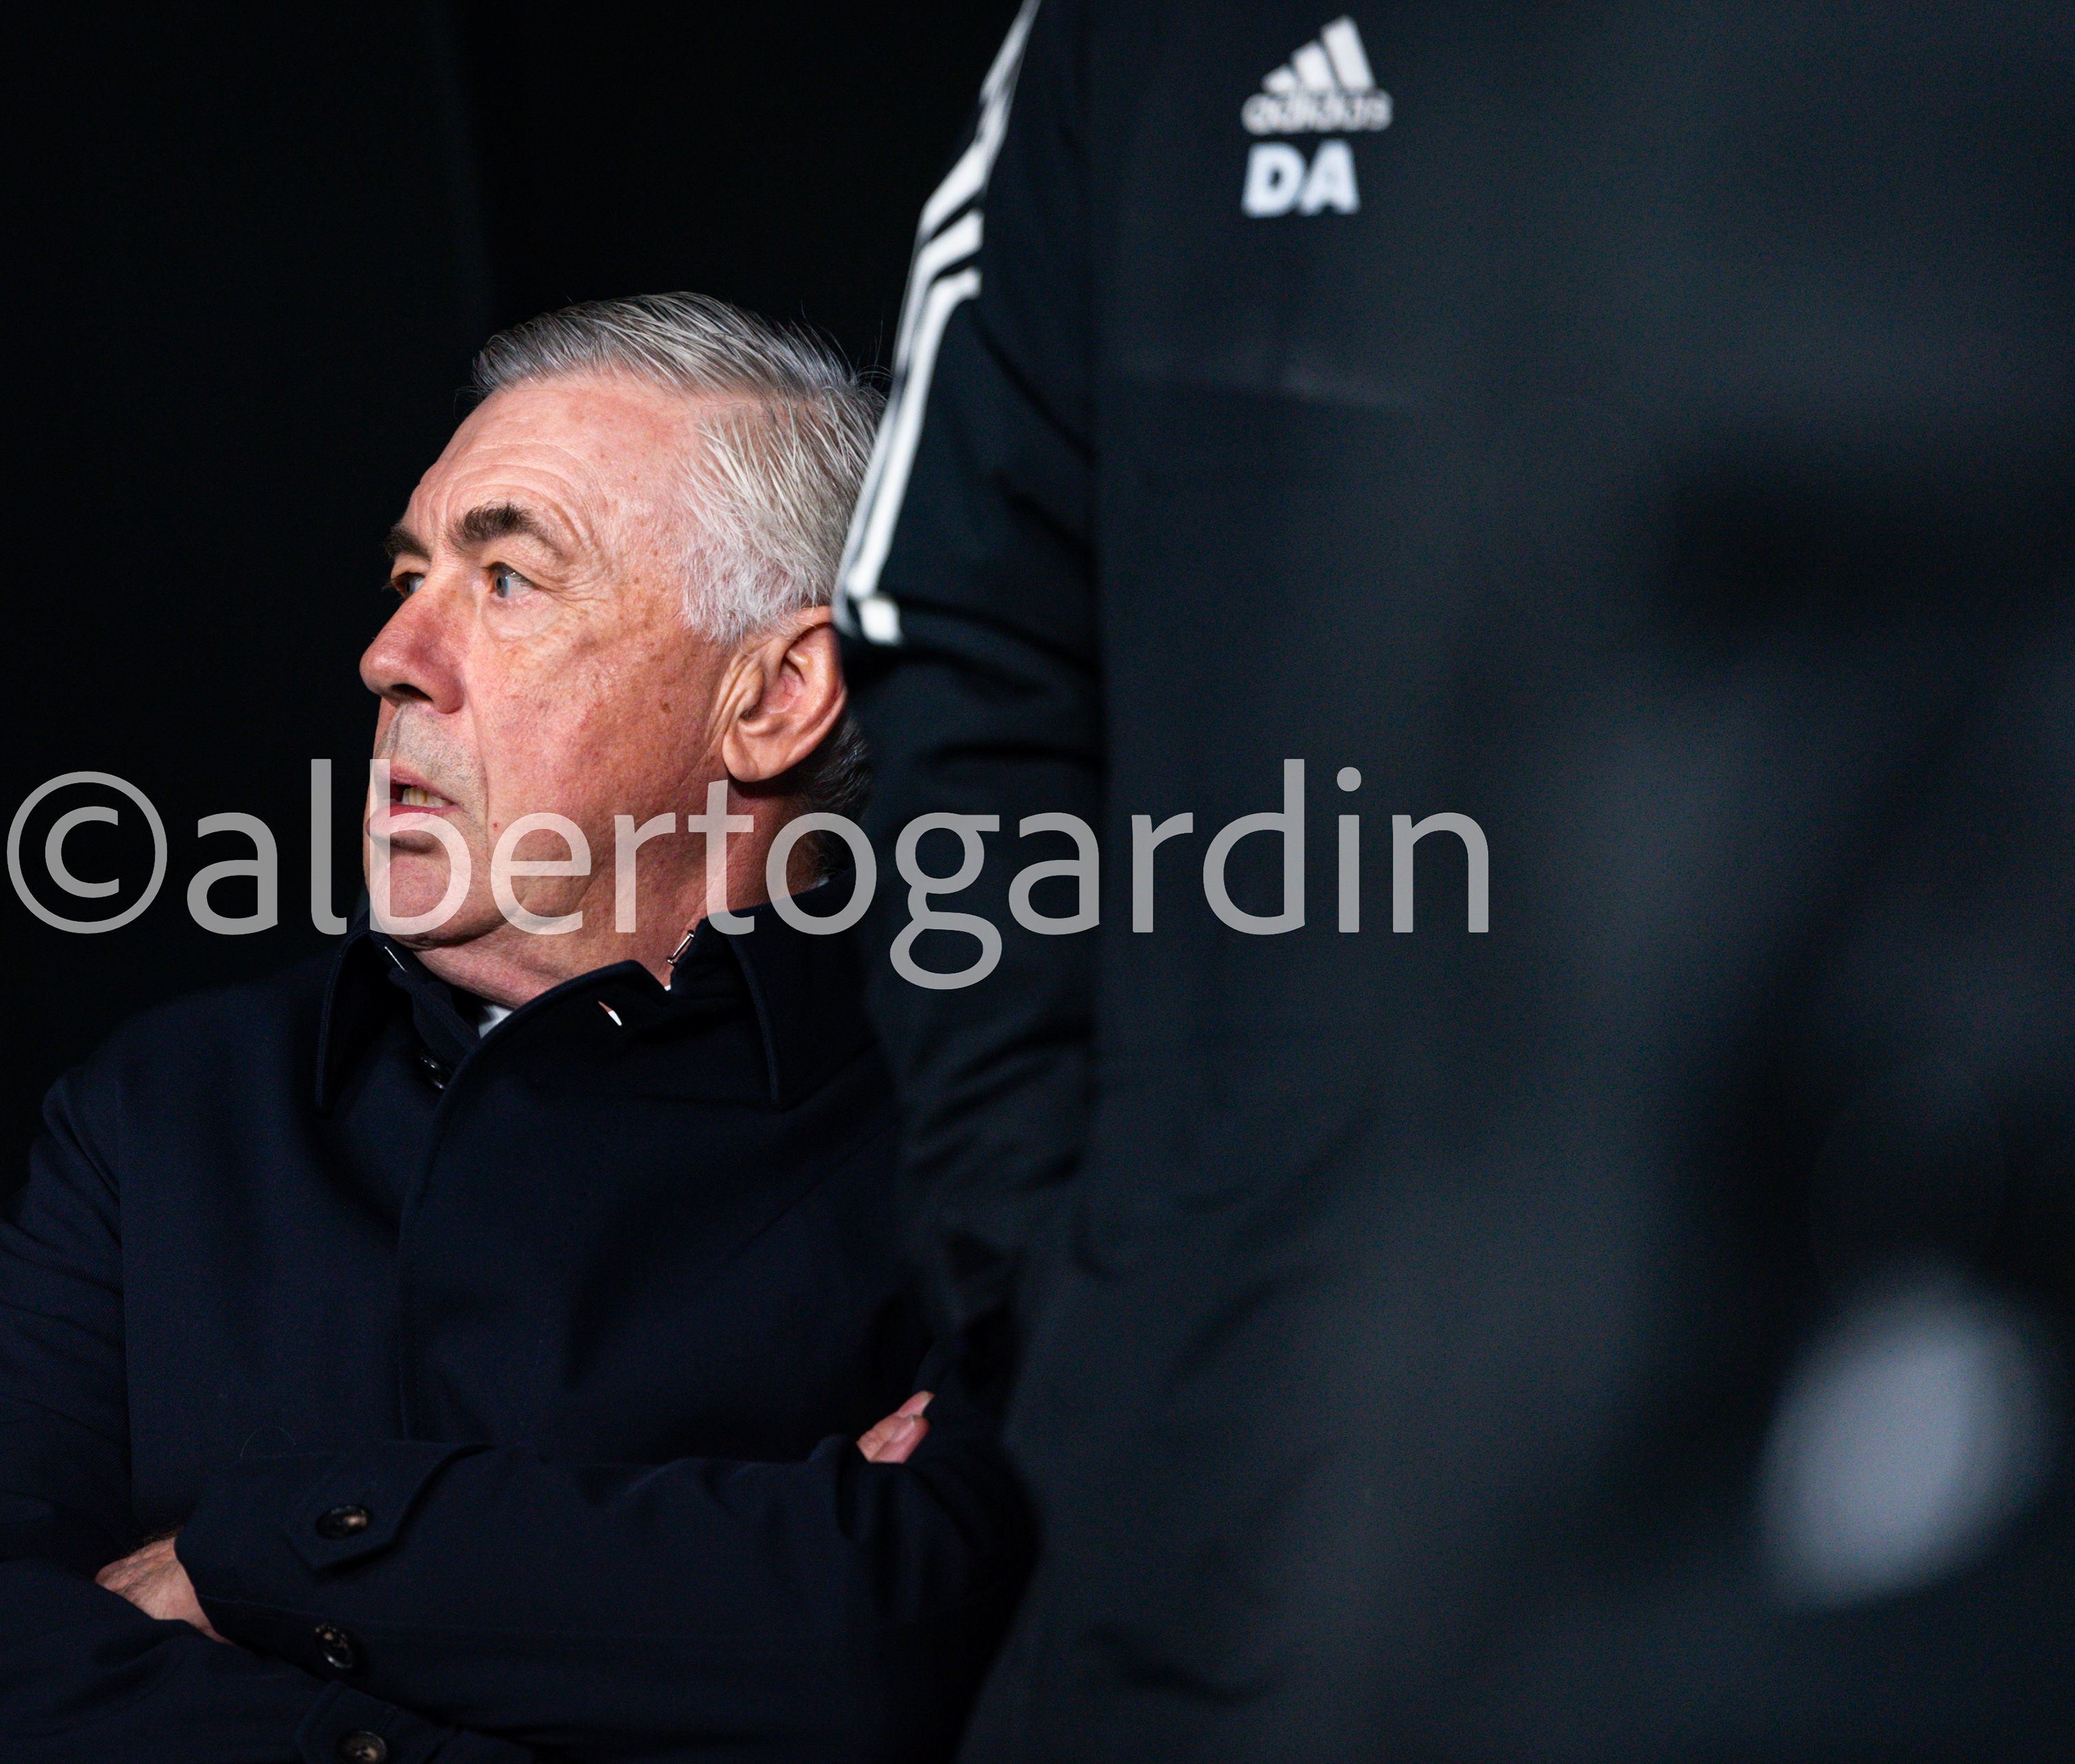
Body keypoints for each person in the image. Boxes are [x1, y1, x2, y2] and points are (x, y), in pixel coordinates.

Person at [839, 1, 2075, 1758]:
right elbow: (962, 651)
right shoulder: (1137, 45)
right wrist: (1070, 1282)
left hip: (1859, 1487)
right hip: (1207, 1491)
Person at [0, 294, 1030, 1764]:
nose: (392, 653)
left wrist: (259, 1552)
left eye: (508, 577)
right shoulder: (170, 1111)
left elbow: (909, 1639)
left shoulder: (989, 1124)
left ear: (771, 698)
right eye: (409, 575)